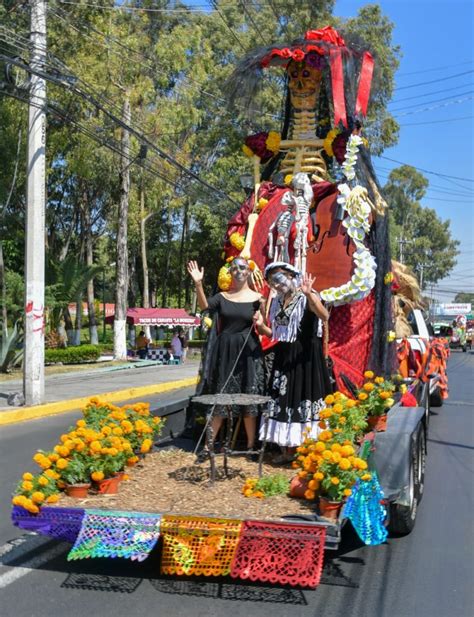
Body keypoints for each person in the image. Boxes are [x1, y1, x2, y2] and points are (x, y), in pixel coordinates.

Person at [254, 262, 332, 461]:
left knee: (304, 397)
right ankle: (288, 450)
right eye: (272, 282)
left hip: (306, 357)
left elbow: (324, 316)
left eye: (279, 279)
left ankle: (308, 450)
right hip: (285, 357)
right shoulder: (278, 301)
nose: (277, 285)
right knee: (285, 399)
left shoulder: (308, 294)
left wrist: (308, 296)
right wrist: (261, 326)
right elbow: (274, 334)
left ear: (290, 275)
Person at [187, 257, 264, 453]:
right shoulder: (222, 297)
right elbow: (205, 306)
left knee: (249, 395)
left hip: (247, 352)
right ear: (229, 272)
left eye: (243, 267)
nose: (239, 271)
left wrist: (261, 322)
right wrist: (198, 283)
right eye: (234, 268)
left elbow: (264, 329)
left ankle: (250, 446)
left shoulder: (258, 299)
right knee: (220, 396)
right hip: (225, 351)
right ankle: (208, 445)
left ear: (248, 271)